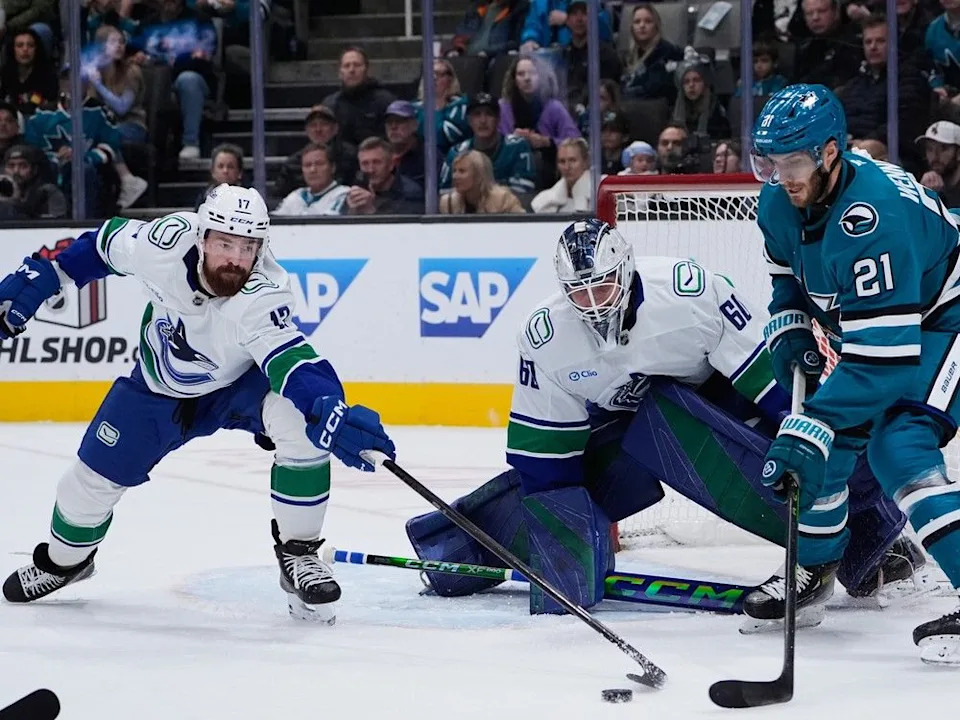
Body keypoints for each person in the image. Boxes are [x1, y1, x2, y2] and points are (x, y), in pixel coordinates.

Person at [406, 219, 926, 615]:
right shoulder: (546, 338)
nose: (592, 303)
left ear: (625, 269)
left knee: (781, 459)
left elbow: (770, 390)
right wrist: (558, 543)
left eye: (602, 286)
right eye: (579, 291)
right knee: (562, 489)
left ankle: (867, 541)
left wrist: (810, 451)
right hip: (624, 424)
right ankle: (456, 551)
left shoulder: (690, 293)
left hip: (716, 401)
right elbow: (544, 454)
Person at [0, 185, 396, 624]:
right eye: (225, 243)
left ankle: (298, 554)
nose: (236, 259)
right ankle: (65, 563)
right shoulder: (162, 244)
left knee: (301, 423)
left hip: (238, 386)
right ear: (202, 237)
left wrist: (328, 406)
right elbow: (100, 245)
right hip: (156, 390)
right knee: (83, 487)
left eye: (248, 247)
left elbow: (293, 360)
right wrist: (48, 275)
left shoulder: (264, 292)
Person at [748, 83, 960, 663]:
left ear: (830, 154)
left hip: (945, 313)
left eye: (792, 162)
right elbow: (786, 276)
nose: (780, 176)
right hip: (891, 322)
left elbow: (883, 363)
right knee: (830, 444)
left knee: (899, 446)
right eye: (768, 162)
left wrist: (810, 424)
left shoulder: (873, 220)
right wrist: (790, 323)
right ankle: (814, 573)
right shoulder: (779, 198)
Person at [440, 93, 536, 198]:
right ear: (469, 120)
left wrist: (473, 188)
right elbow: (444, 193)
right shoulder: (456, 153)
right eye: (477, 114)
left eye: (489, 114)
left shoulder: (517, 147)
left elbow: (524, 189)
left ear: (498, 119)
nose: (483, 121)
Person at [321, 46, 396, 148]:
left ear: (367, 70)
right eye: (346, 66)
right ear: (340, 73)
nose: (352, 70)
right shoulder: (330, 105)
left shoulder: (386, 101)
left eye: (357, 65)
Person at [343, 136, 424, 215]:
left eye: (376, 162)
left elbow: (404, 222)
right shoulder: (358, 188)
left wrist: (370, 211)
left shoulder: (411, 192)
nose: (371, 169)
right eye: (365, 163)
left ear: (391, 164)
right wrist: (352, 211)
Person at [619, 3, 684, 102]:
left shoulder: (666, 52)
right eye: (637, 22)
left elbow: (651, 90)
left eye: (648, 21)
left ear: (656, 26)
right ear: (632, 27)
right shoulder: (629, 55)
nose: (642, 25)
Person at [274, 143, 350, 216]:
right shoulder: (296, 195)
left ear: (333, 168)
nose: (312, 170)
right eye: (307, 165)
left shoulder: (344, 195)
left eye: (319, 164)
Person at [439, 149, 525, 214]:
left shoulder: (503, 200)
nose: (455, 176)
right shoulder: (448, 203)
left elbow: (522, 227)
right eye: (454, 171)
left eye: (462, 171)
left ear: (479, 176)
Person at [414, 59, 470, 158]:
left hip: (454, 159)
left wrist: (439, 101)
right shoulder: (413, 108)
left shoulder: (461, 106)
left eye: (440, 74)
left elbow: (441, 138)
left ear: (450, 79)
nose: (434, 78)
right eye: (430, 74)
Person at [3, 142, 67, 218]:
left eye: (23, 166)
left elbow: (57, 223)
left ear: (34, 170)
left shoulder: (48, 193)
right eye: (11, 166)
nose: (16, 171)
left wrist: (15, 202)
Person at [530, 137, 591, 212]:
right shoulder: (545, 201)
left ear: (585, 162)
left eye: (572, 160)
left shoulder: (601, 191)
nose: (567, 167)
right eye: (562, 161)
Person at [917, 119, 960, 207]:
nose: (935, 156)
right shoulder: (923, 182)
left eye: (943, 149)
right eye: (930, 149)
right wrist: (924, 195)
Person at [194, 142, 244, 210]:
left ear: (239, 172)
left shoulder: (247, 197)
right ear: (212, 171)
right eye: (220, 166)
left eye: (230, 167)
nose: (225, 171)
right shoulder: (204, 197)